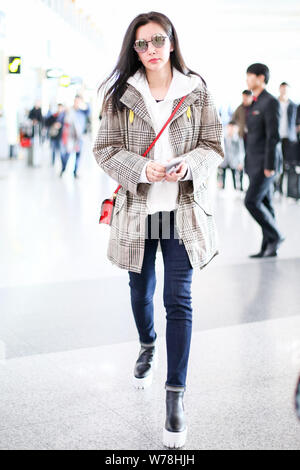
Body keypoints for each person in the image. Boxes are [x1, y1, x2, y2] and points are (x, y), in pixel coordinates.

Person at [93, 11, 224, 449]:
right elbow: (105, 149)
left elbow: (213, 145)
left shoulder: (197, 91)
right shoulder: (120, 95)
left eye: (158, 40)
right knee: (140, 290)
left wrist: (191, 165)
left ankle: (175, 396)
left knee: (179, 300)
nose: (151, 50)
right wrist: (141, 168)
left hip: (183, 210)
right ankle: (147, 343)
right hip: (138, 211)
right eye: (142, 43)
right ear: (134, 49)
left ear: (172, 42)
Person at [244, 63, 284, 258]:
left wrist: (269, 165)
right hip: (253, 163)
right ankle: (269, 247)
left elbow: (273, 136)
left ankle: (276, 236)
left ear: (261, 78)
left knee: (251, 201)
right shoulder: (255, 102)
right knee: (265, 203)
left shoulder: (270, 102)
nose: (247, 80)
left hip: (265, 164)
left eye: (250, 76)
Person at [276, 82, 298, 194]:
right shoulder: (274, 103)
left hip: (290, 139)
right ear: (279, 89)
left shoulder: (294, 106)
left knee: (290, 165)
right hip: (276, 138)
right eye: (282, 89)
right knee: (276, 163)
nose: (284, 91)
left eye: (286, 89)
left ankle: (290, 193)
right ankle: (276, 190)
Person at [60, 95, 89, 178]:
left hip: (79, 137)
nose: (77, 103)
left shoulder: (82, 111)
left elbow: (89, 111)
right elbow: (65, 120)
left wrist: (84, 103)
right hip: (70, 137)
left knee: (78, 155)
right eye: (76, 101)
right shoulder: (69, 111)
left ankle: (75, 172)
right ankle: (63, 169)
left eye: (79, 102)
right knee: (67, 154)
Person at [219, 120, 245, 191]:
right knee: (221, 176)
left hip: (234, 162)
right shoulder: (223, 138)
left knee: (235, 176)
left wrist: (240, 163)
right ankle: (222, 188)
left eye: (233, 128)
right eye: (230, 128)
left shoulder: (238, 139)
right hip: (224, 161)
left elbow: (241, 152)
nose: (231, 130)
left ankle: (236, 188)